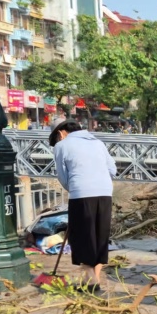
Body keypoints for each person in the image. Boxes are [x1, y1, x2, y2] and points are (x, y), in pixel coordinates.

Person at [50, 118, 117, 292]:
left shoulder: (61, 146)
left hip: (81, 193)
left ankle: (93, 279)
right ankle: (93, 281)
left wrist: (75, 188)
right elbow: (113, 170)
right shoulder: (98, 143)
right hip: (104, 192)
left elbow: (63, 177)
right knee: (99, 236)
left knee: (81, 236)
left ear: (60, 133)